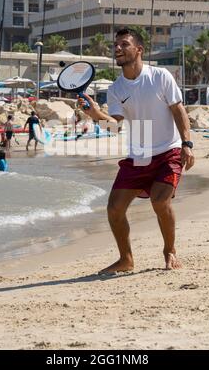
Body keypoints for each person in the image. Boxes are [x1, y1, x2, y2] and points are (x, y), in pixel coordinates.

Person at [78, 27, 195, 275]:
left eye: (124, 44)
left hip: (169, 149)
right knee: (114, 208)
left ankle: (169, 251)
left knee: (160, 201)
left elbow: (178, 110)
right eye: (116, 45)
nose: (117, 48)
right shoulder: (116, 88)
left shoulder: (160, 76)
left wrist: (187, 143)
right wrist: (95, 113)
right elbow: (114, 125)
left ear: (139, 50)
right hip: (139, 153)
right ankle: (126, 260)